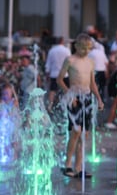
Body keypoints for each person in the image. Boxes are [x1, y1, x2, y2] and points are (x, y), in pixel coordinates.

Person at [57, 33, 105, 179]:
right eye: (83, 48)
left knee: (84, 134)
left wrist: (99, 98)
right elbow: (59, 80)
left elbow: (92, 83)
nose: (86, 51)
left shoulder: (90, 62)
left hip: (87, 98)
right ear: (76, 46)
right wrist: (69, 94)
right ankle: (67, 165)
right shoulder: (70, 60)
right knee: (76, 131)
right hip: (74, 99)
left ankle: (79, 167)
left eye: (89, 49)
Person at [45, 36, 71, 108]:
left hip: (54, 74)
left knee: (52, 90)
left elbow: (48, 63)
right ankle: (66, 105)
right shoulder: (66, 50)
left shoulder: (52, 50)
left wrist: (47, 74)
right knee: (66, 89)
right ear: (62, 41)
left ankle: (50, 105)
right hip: (64, 74)